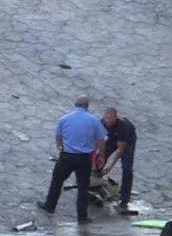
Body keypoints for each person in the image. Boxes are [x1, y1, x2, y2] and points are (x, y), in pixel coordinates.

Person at [36, 96, 107, 224]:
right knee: (83, 187)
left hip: (67, 155)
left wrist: (61, 148)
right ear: (87, 106)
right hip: (84, 158)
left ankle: (50, 206)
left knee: (57, 181)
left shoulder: (64, 119)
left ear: (75, 105)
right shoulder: (94, 120)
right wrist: (101, 156)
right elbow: (101, 140)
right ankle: (82, 217)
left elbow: (58, 137)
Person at [98, 107, 137, 212]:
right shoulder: (101, 123)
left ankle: (125, 197)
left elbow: (120, 150)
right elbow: (99, 142)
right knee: (100, 158)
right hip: (112, 137)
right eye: (106, 118)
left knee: (127, 167)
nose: (108, 121)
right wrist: (99, 157)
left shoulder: (124, 127)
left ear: (116, 117)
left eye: (110, 119)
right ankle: (95, 182)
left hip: (127, 141)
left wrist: (109, 166)